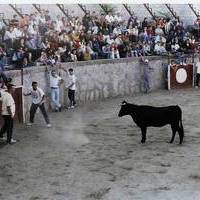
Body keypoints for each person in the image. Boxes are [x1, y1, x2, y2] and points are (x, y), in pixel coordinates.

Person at [0, 80, 16, 144]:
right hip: (8, 114)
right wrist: (11, 114)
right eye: (13, 88)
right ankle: (9, 140)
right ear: (10, 89)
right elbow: (8, 107)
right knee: (10, 127)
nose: (14, 89)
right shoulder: (8, 96)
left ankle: (0, 135)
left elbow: (0, 99)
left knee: (6, 126)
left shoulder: (4, 93)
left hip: (4, 113)